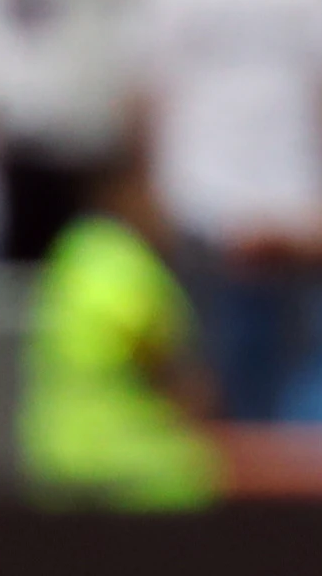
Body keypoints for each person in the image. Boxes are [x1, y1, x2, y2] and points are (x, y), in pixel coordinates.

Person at [20, 150, 223, 512]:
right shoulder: (120, 258)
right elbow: (152, 350)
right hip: (129, 468)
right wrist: (197, 398)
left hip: (60, 457)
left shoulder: (73, 253)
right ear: (128, 194)